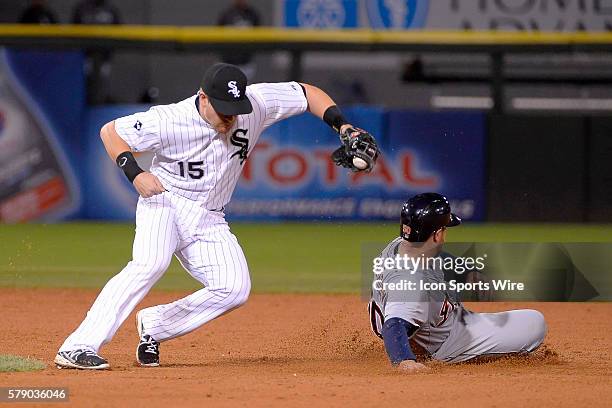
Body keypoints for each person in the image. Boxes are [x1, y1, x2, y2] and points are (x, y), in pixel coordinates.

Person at [54, 62, 379, 370]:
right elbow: (111, 132)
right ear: (203, 97)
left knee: (234, 288)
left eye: (235, 109)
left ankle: (154, 324)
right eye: (223, 108)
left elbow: (307, 93)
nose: (230, 118)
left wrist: (343, 125)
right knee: (149, 264)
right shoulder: (169, 119)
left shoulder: (255, 103)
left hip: (209, 217)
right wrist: (134, 172)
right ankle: (79, 345)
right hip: (164, 202)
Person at [368, 193, 546, 372]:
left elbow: (436, 259)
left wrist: (466, 272)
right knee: (535, 322)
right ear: (437, 235)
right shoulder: (412, 285)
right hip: (448, 342)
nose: (445, 234)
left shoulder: (401, 245)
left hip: (429, 324)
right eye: (444, 229)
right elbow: (394, 325)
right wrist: (405, 362)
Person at [72, 0, 121, 104]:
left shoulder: (110, 10)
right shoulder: (82, 9)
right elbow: (73, 31)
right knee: (86, 82)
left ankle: (102, 104)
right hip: (85, 55)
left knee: (104, 81)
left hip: (105, 55)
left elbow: (120, 30)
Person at [217, 0, 261, 80]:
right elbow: (218, 36)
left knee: (244, 89)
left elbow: (259, 35)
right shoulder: (227, 14)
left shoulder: (253, 15)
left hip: (246, 62)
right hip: (228, 61)